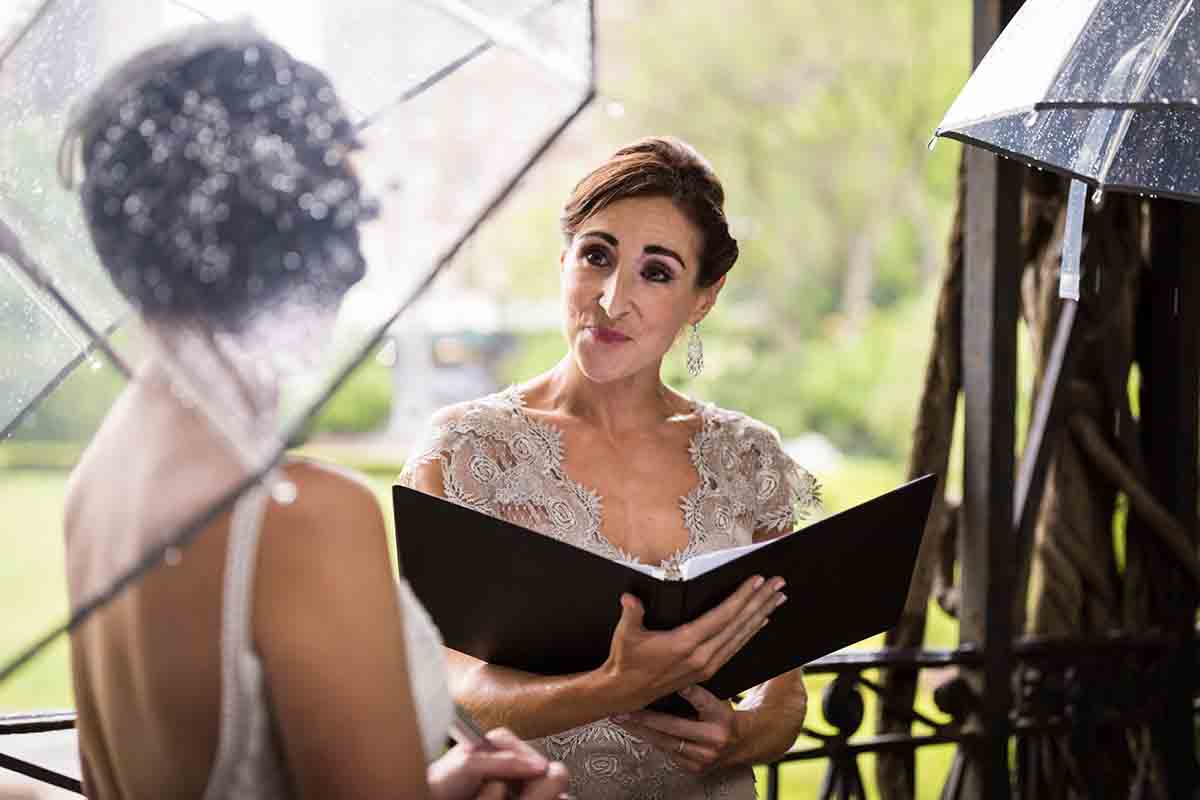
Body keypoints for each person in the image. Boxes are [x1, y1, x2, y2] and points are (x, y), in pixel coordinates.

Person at [60, 23, 568, 799]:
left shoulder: (99, 479)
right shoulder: (299, 519)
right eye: (336, 194)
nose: (354, 245)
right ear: (281, 227)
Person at [401, 136, 818, 799]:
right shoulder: (466, 448)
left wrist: (743, 737)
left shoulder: (747, 457)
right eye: (597, 256)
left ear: (703, 298)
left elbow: (785, 690)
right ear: (564, 260)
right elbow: (446, 683)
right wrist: (614, 689)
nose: (612, 297)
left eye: (657, 272)